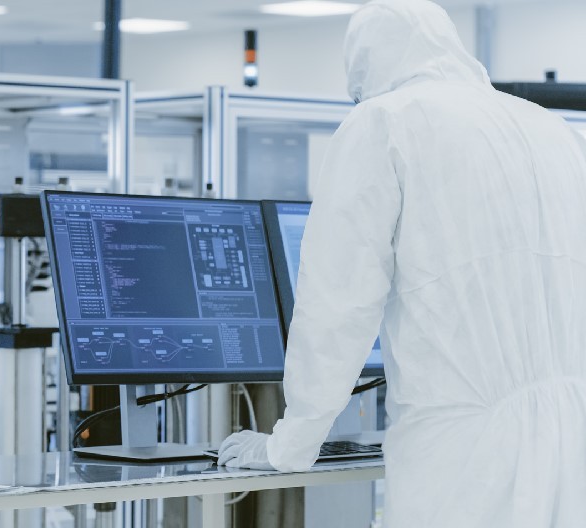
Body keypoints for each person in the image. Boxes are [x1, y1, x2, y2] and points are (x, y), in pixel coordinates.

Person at [217, 0, 586, 525]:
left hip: (465, 452)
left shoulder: (385, 122)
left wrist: (291, 442)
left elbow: (339, 302)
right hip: (573, 444)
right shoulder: (554, 131)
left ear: (367, 64)